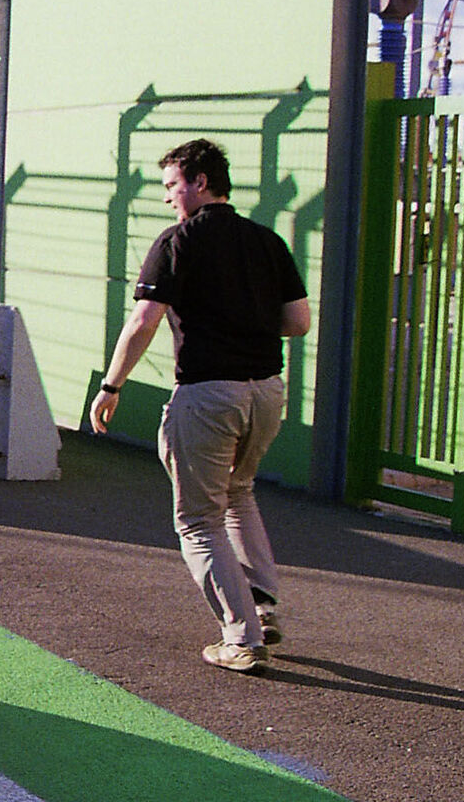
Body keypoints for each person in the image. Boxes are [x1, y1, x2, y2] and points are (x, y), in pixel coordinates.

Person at [89, 138, 311, 674]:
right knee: (238, 493)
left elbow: (143, 321)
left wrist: (112, 385)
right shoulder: (267, 242)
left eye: (171, 185)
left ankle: (242, 638)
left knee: (197, 520)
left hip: (210, 394)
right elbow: (298, 322)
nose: (168, 198)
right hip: (267, 392)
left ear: (199, 182)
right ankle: (260, 604)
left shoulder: (176, 242)